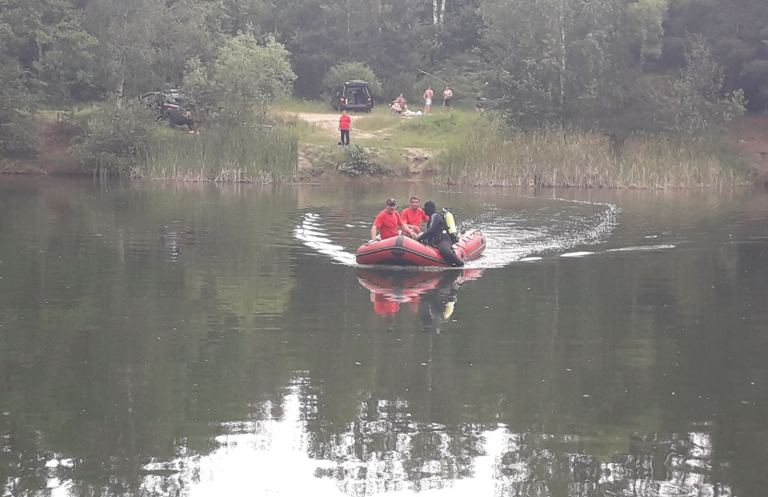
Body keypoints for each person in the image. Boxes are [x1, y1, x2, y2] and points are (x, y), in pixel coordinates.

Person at [416, 200, 463, 266]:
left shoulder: (435, 216)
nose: (424, 211)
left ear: (429, 209)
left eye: (425, 209)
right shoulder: (430, 219)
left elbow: (431, 230)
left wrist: (418, 239)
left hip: (443, 240)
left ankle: (460, 263)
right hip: (435, 240)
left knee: (443, 250)